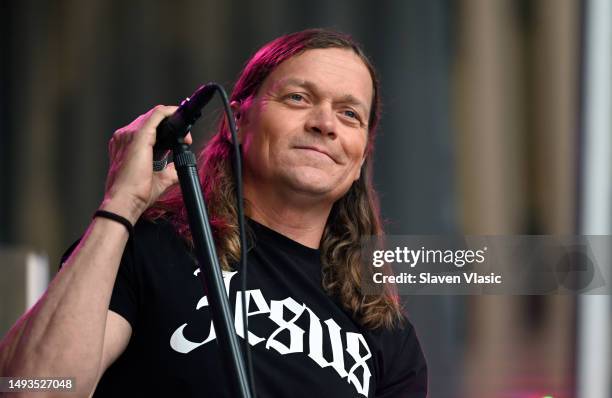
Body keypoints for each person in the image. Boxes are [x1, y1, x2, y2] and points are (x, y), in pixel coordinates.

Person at [0, 29, 427, 397]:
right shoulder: (147, 249)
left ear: (360, 158)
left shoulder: (387, 335)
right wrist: (121, 205)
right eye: (298, 97)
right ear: (238, 121)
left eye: (349, 114)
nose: (325, 124)